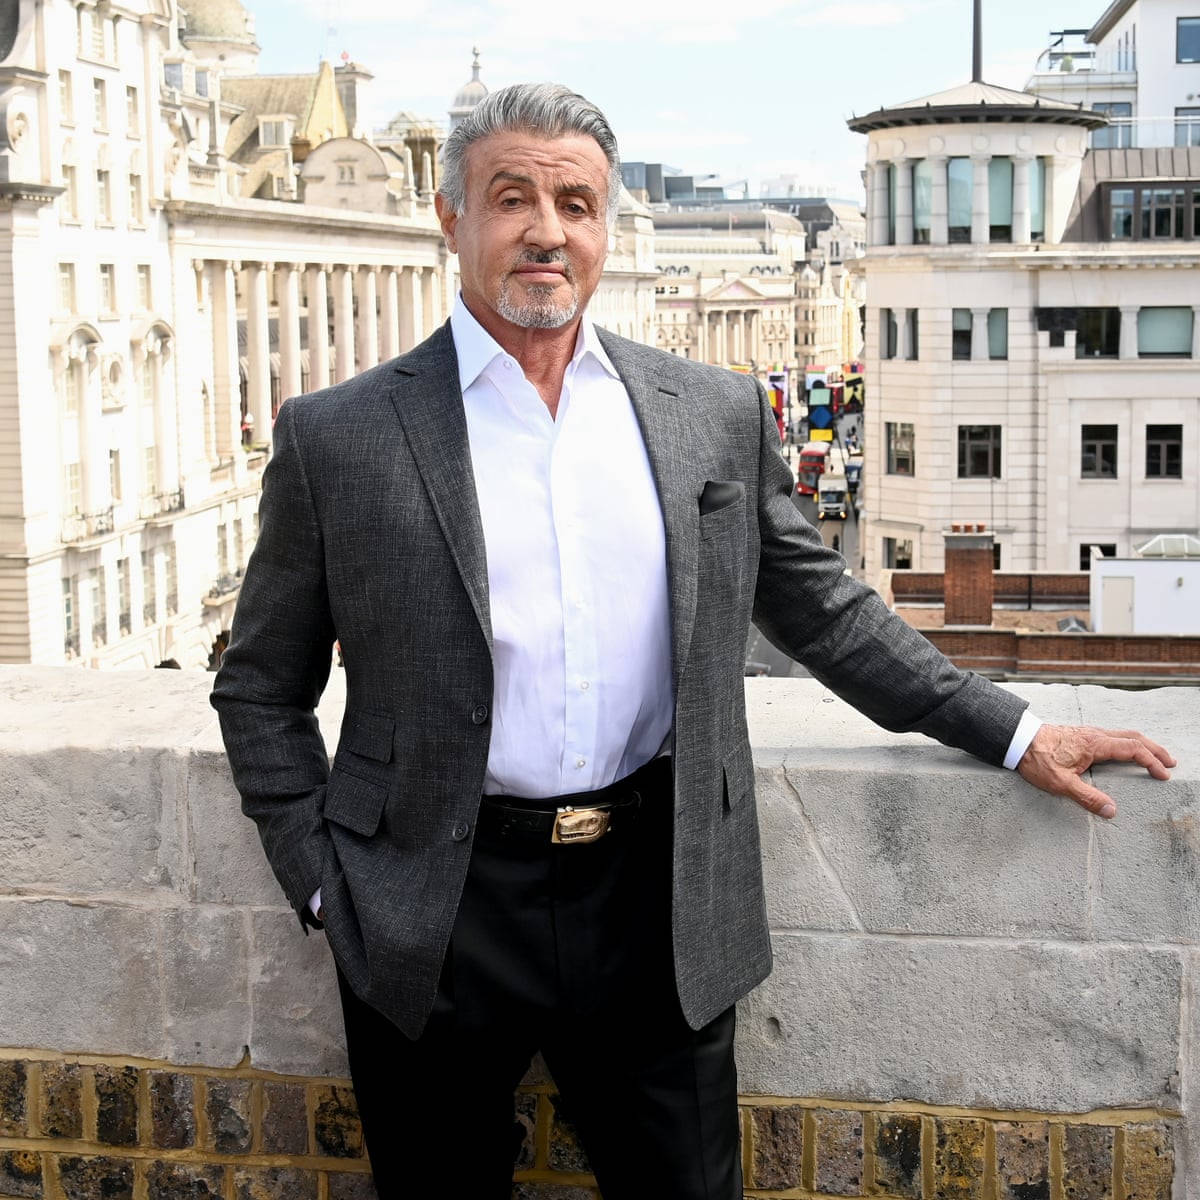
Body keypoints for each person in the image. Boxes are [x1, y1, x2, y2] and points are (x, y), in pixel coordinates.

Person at [211, 83, 1174, 1200]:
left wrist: (1016, 732)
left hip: (653, 900)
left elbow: (825, 610)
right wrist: (329, 891)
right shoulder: (339, 436)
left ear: (606, 227)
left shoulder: (704, 412)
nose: (545, 229)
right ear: (451, 217)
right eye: (510, 196)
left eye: (575, 202)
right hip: (432, 904)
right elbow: (259, 688)